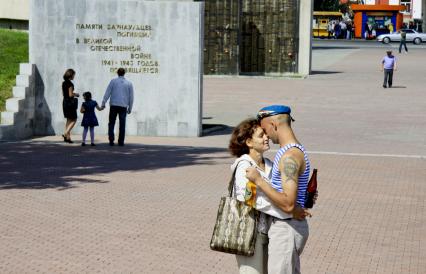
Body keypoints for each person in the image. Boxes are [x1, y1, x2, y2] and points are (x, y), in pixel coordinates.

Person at [229, 118, 310, 274]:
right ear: (249, 142)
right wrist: (289, 211)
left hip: (269, 231)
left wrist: (303, 197)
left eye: (265, 134)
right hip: (249, 232)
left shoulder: (270, 165)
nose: (266, 137)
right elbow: (251, 200)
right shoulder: (243, 166)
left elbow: (279, 194)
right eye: (261, 135)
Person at [101, 68, 134, 146]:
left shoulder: (113, 81)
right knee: (122, 124)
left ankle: (111, 140)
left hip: (114, 105)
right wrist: (130, 107)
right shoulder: (129, 83)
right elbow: (131, 97)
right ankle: (121, 141)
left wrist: (103, 102)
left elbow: (108, 92)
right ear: (124, 73)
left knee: (111, 123)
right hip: (123, 106)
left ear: (117, 73)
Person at [62, 68, 79, 143]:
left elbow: (63, 94)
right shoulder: (70, 84)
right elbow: (70, 94)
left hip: (65, 102)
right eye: (73, 75)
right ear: (70, 75)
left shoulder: (63, 83)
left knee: (68, 120)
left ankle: (68, 138)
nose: (74, 76)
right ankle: (65, 133)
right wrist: (76, 94)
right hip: (70, 103)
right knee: (74, 119)